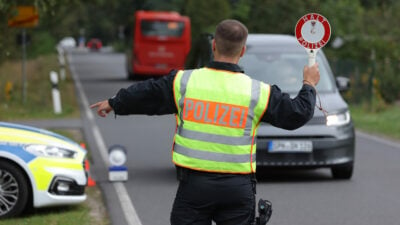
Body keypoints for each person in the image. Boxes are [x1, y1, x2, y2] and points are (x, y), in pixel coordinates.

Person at [90, 19, 320, 225]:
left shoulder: (184, 82)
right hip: (237, 190)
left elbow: (147, 94)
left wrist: (114, 102)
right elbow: (296, 114)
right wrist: (308, 84)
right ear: (242, 51)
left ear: (213, 46)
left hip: (195, 187)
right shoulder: (257, 92)